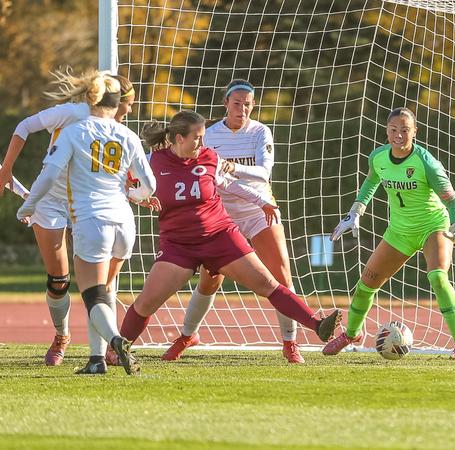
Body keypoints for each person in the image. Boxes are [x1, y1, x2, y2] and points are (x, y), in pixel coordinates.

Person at [117, 111, 341, 360]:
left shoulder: (209, 157)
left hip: (220, 237)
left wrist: (262, 202)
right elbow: (120, 182)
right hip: (178, 245)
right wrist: (138, 198)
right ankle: (115, 352)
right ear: (179, 138)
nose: (203, 143)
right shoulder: (152, 161)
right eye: (197, 138)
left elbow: (230, 184)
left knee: (268, 284)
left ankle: (317, 324)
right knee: (146, 303)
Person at [16, 72, 155, 375]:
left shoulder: (74, 131)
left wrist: (27, 206)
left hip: (93, 222)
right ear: (117, 104)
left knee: (93, 295)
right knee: (106, 291)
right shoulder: (128, 135)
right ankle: (96, 359)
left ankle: (116, 340)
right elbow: (150, 185)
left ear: (90, 99)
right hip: (124, 223)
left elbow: (49, 176)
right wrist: (134, 195)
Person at [161, 79, 304, 363]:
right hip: (221, 213)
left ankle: (290, 342)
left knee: (281, 276)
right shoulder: (210, 134)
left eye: (247, 104)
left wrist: (231, 166)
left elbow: (264, 173)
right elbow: (199, 168)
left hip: (259, 210)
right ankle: (188, 335)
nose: (242, 109)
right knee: (210, 280)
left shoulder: (260, 131)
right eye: (237, 103)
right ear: (226, 103)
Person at [323, 107, 455, 360]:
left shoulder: (427, 163)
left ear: (415, 132)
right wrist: (355, 212)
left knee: (437, 277)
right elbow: (371, 182)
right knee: (366, 283)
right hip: (399, 231)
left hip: (433, 227)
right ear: (387, 131)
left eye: (405, 130)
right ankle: (352, 334)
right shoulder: (378, 157)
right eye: (394, 129)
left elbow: (452, 201)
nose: (399, 135)